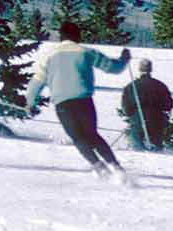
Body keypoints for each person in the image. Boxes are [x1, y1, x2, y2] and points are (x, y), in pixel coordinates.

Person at [25, 18, 129, 177]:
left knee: (78, 137)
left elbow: (37, 82)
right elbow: (113, 68)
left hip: (62, 103)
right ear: (77, 36)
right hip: (83, 100)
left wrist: (30, 103)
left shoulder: (49, 56)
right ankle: (116, 167)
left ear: (61, 37)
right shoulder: (86, 52)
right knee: (92, 135)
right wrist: (124, 59)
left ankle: (99, 167)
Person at [120, 59, 173, 150]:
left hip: (138, 120)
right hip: (156, 119)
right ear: (151, 69)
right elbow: (168, 105)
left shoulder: (131, 86)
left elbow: (126, 106)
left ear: (139, 69)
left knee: (138, 149)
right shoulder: (160, 85)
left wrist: (131, 116)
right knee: (156, 149)